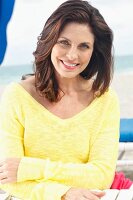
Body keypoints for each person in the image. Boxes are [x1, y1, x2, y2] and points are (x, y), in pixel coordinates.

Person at [0, 0, 120, 199]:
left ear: (94, 51)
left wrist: (31, 168)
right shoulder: (17, 96)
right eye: (64, 42)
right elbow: (9, 178)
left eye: (84, 46)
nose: (72, 55)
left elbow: (101, 176)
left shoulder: (105, 100)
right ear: (50, 41)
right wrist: (64, 193)